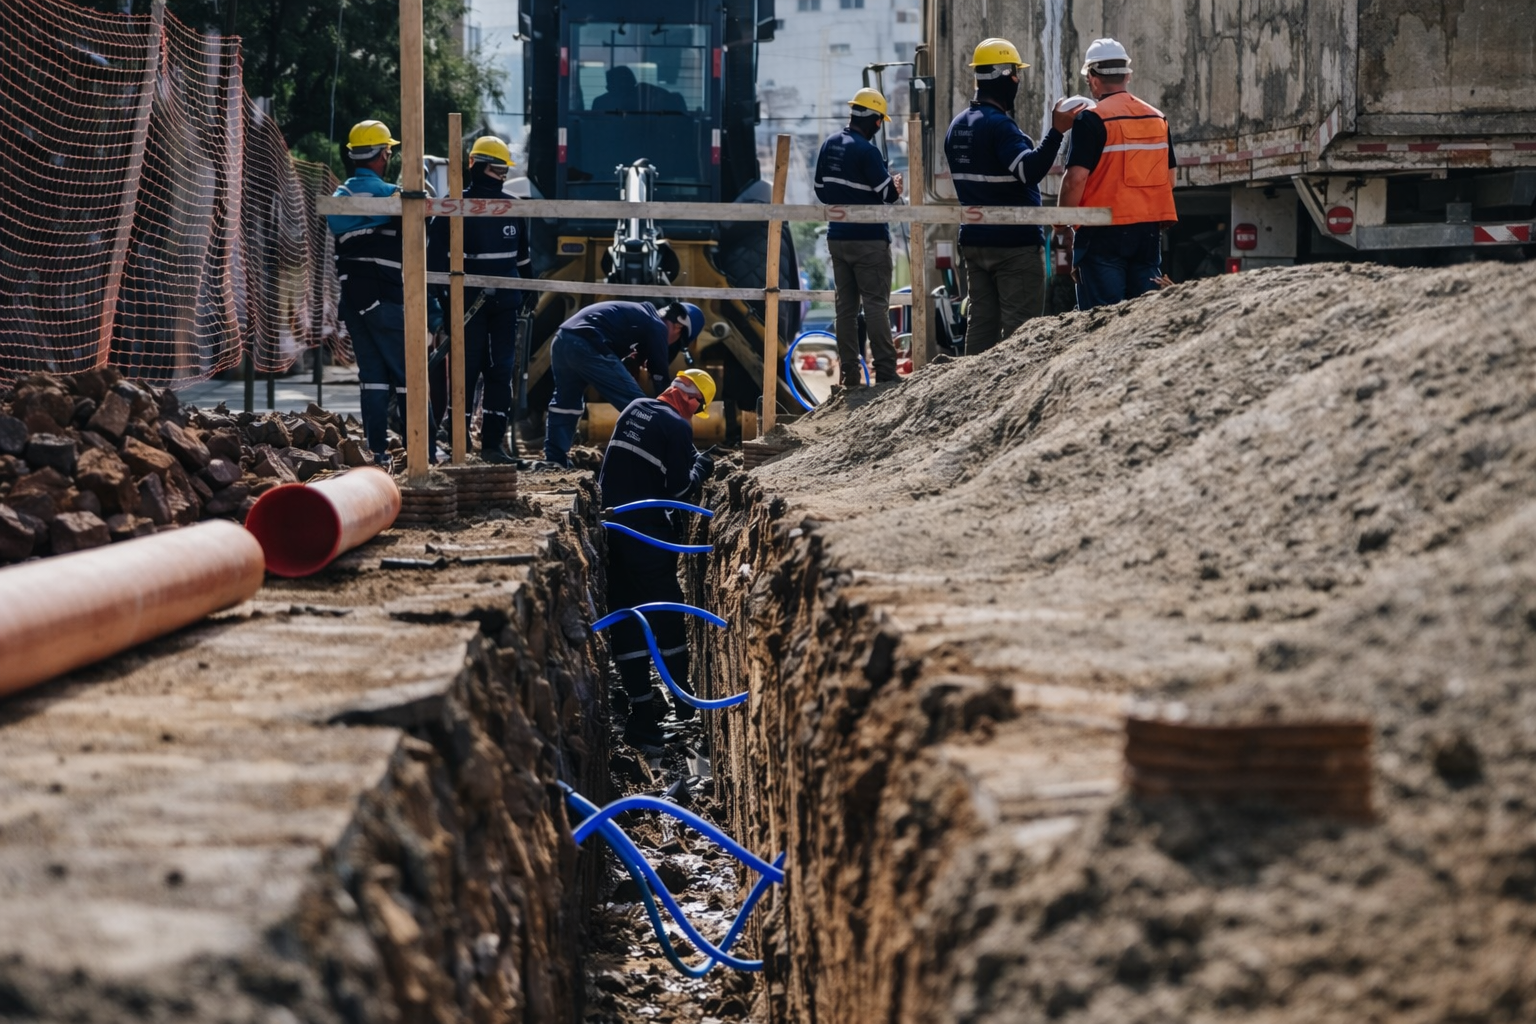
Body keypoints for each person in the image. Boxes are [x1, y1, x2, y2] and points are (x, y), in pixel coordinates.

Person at [598, 369, 717, 753]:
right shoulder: (678, 428)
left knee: (626, 617)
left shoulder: (633, 407)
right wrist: (701, 467)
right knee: (667, 611)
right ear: (692, 399)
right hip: (648, 535)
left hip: (614, 531)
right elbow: (680, 489)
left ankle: (643, 718)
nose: (692, 417)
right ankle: (684, 699)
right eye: (697, 409)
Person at [943, 38, 1076, 355]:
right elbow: (1029, 171)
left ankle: (971, 395)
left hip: (975, 241)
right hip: (1013, 246)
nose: (1017, 79)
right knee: (1022, 331)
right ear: (1006, 76)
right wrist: (1057, 131)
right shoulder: (1000, 126)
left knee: (982, 326)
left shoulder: (957, 127)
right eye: (1015, 73)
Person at [427, 135, 533, 463]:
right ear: (480, 167)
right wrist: (442, 305)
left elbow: (523, 259)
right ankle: (458, 443)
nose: (500, 176)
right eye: (497, 170)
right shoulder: (452, 207)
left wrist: (529, 288)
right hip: (466, 306)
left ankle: (491, 445)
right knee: (465, 370)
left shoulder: (512, 207)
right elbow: (434, 263)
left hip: (504, 306)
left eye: (503, 171)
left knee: (499, 372)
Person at [1056, 38, 1179, 310]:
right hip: (1147, 233)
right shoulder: (1157, 118)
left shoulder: (1091, 119)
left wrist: (1060, 223)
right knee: (1144, 315)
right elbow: (1170, 180)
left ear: (1093, 78)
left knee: (1103, 319)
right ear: (1127, 75)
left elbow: (1075, 180)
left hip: (1102, 234)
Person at [326, 120, 418, 468]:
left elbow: (338, 222)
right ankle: (419, 451)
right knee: (409, 376)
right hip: (385, 297)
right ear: (383, 154)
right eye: (388, 151)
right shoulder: (393, 195)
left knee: (374, 379)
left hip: (353, 300)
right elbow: (420, 224)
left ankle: (376, 452)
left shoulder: (342, 196)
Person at [813, 87, 903, 389]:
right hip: (869, 240)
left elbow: (821, 191)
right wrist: (895, 185)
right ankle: (887, 373)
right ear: (876, 122)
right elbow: (888, 194)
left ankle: (850, 375)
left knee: (846, 310)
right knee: (876, 304)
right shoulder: (867, 151)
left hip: (838, 239)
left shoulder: (829, 144)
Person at [542, 299, 704, 468]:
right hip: (589, 345)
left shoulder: (642, 316)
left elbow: (633, 349)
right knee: (639, 407)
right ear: (678, 328)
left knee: (566, 403)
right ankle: (663, 460)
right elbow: (660, 379)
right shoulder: (658, 326)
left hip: (563, 339)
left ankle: (555, 459)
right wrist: (673, 421)